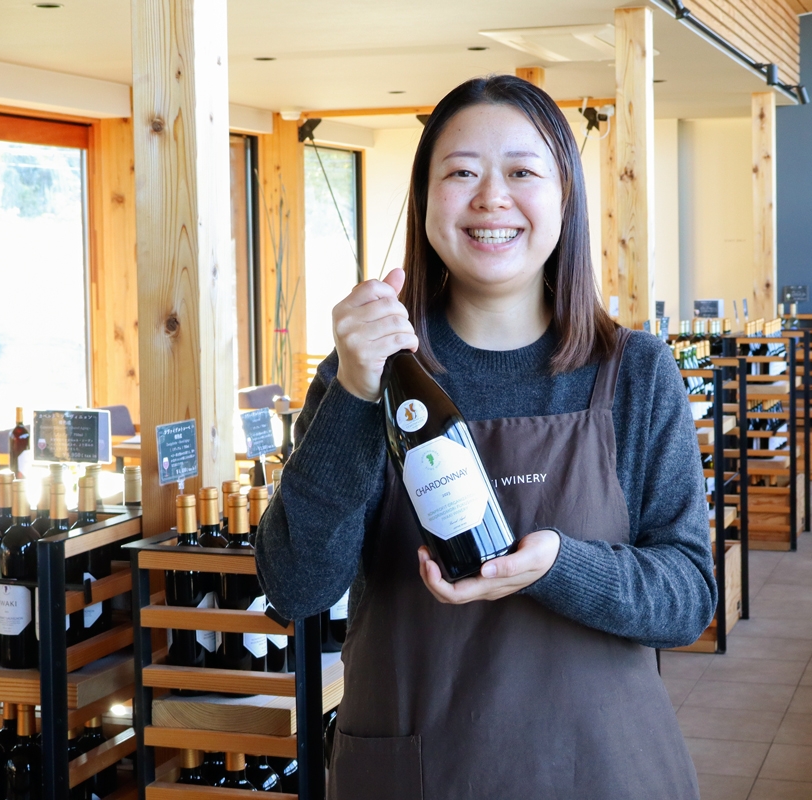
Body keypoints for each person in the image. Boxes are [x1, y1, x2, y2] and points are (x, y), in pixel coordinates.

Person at [255, 75, 717, 800]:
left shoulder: (636, 372)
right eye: (462, 173)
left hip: (602, 770)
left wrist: (558, 565)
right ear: (424, 198)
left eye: (523, 172)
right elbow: (297, 587)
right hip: (419, 774)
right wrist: (353, 392)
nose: (492, 198)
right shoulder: (365, 372)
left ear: (565, 198)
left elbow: (687, 599)